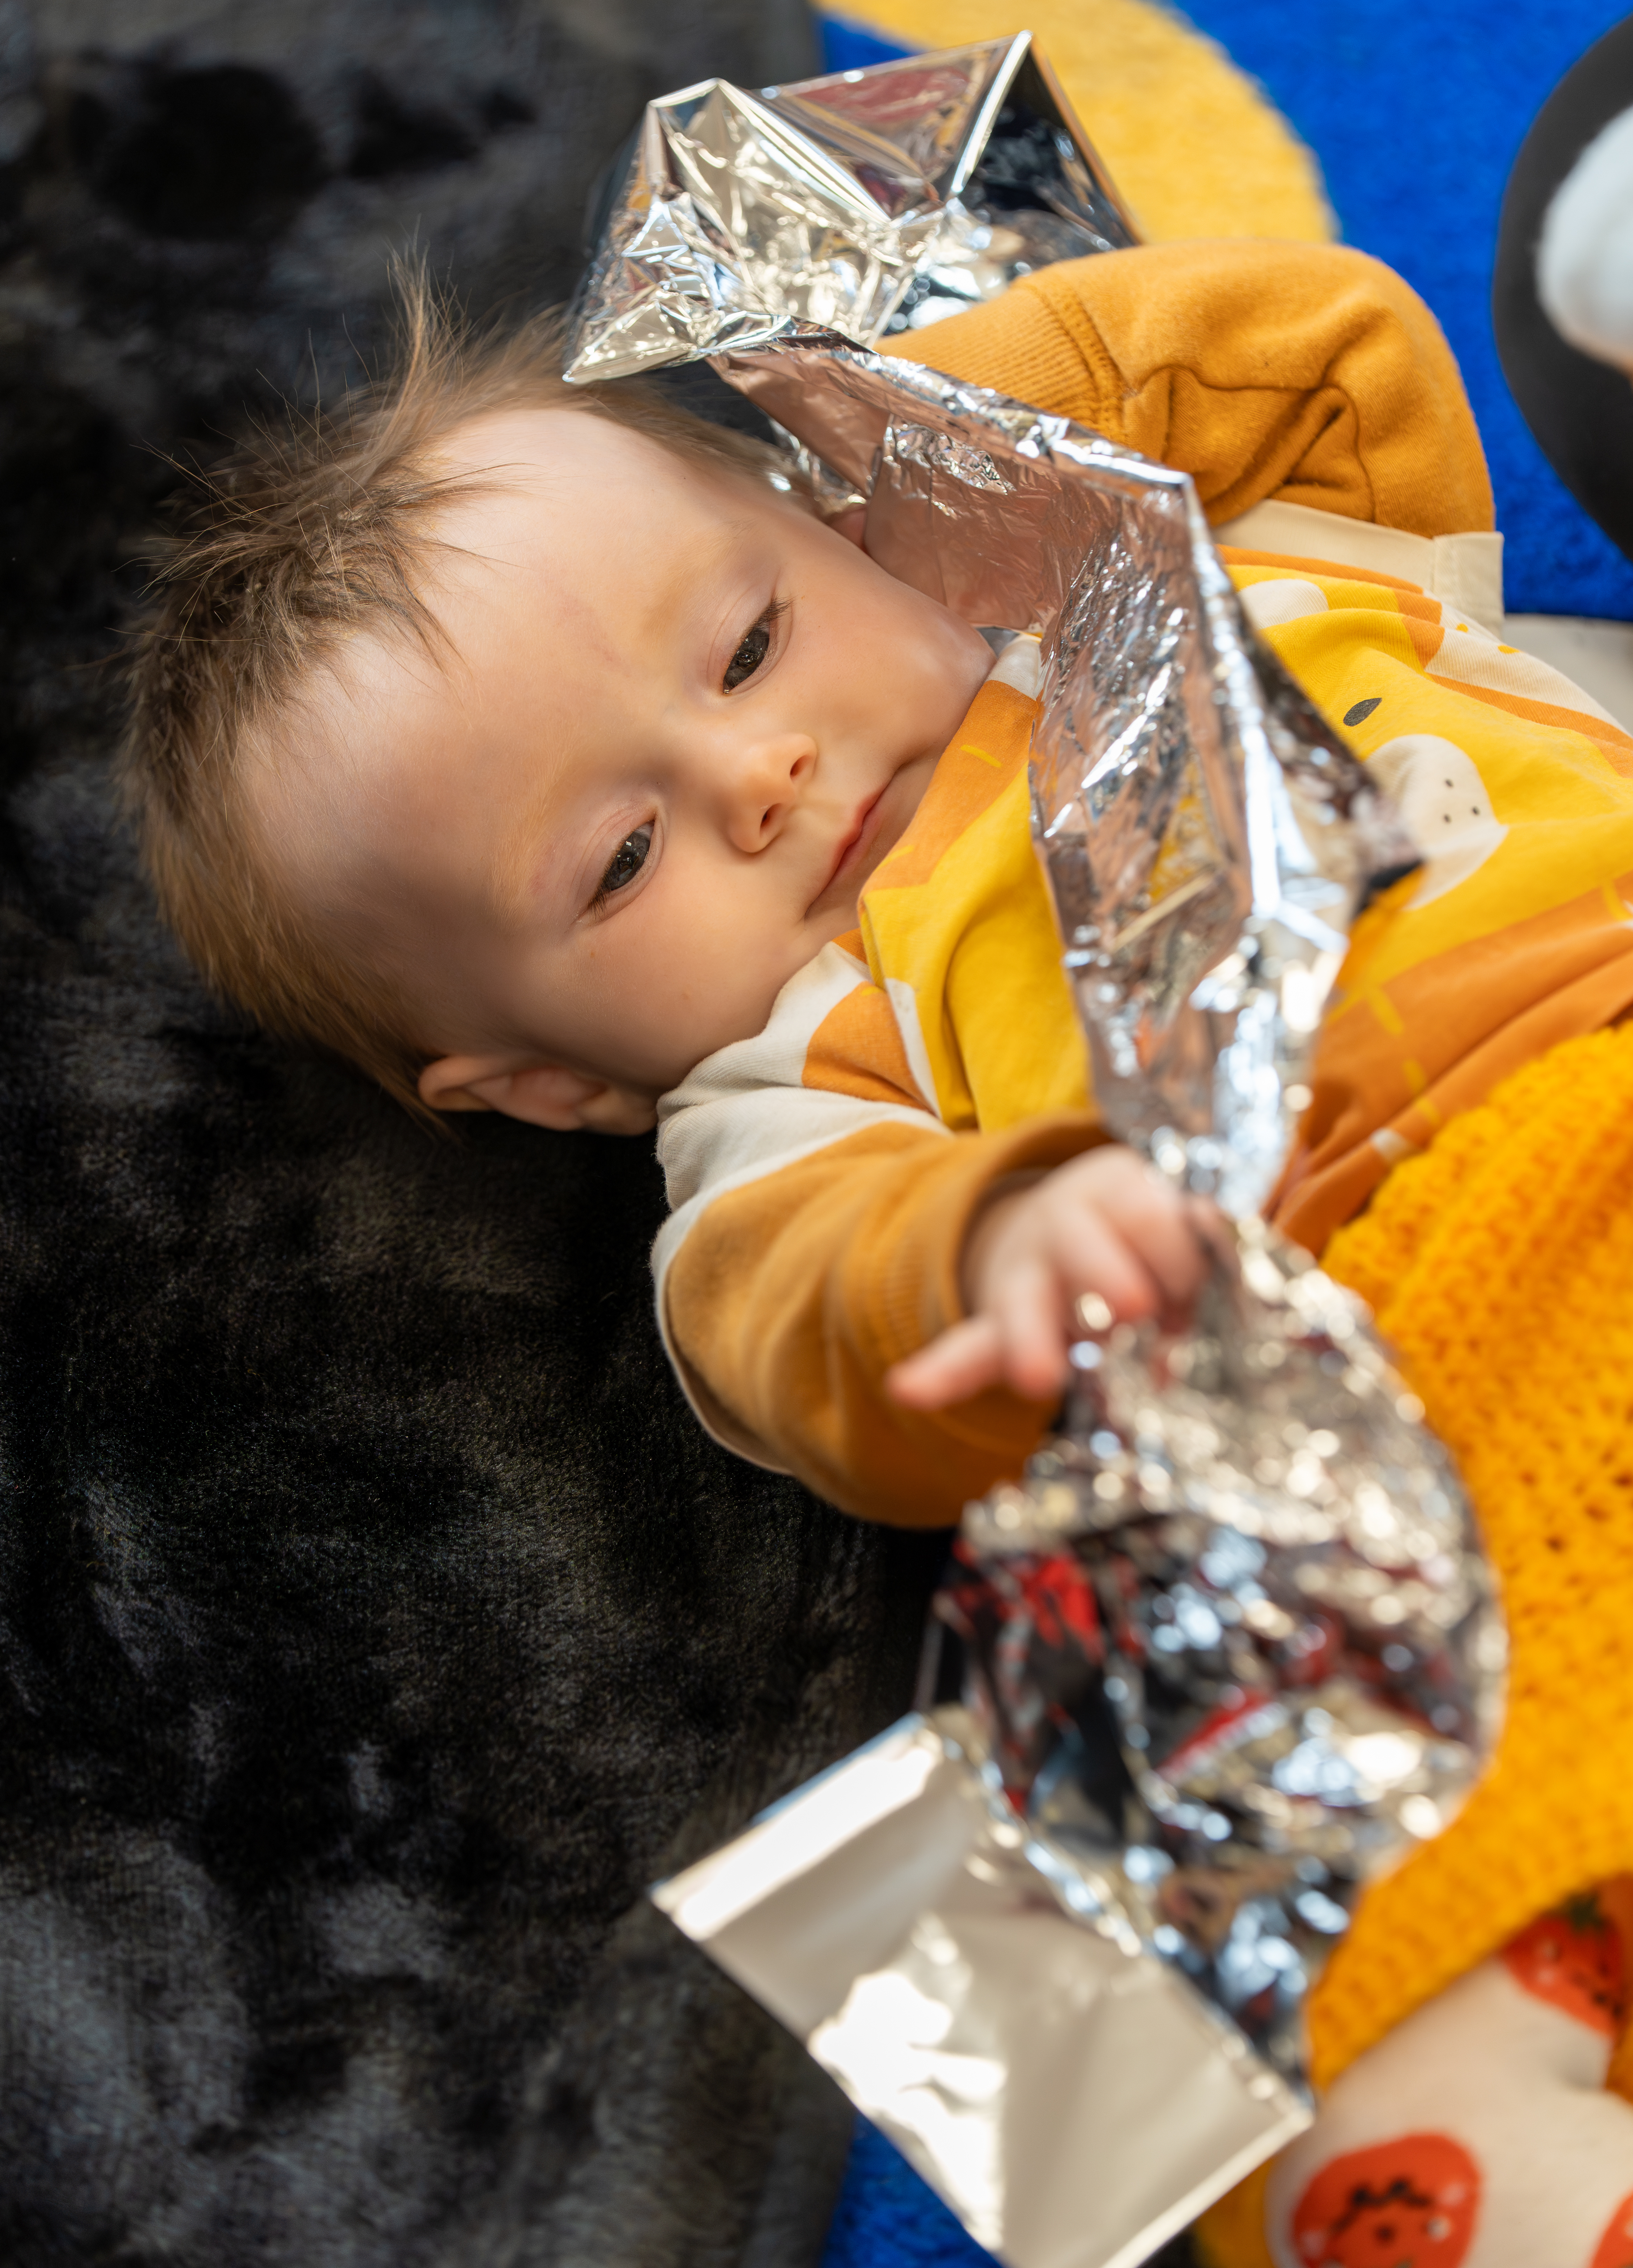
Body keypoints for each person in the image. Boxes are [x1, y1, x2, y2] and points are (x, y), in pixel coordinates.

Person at [123, 238, 1633, 2268]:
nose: (760, 779)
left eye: (746, 645)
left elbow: (1320, 343)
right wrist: (1005, 1235)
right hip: (1397, 1384)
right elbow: (812, 1325)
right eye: (622, 862)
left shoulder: (1170, 570)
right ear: (554, 1088)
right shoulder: (781, 1087)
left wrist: (913, 438)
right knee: (1173, 2040)